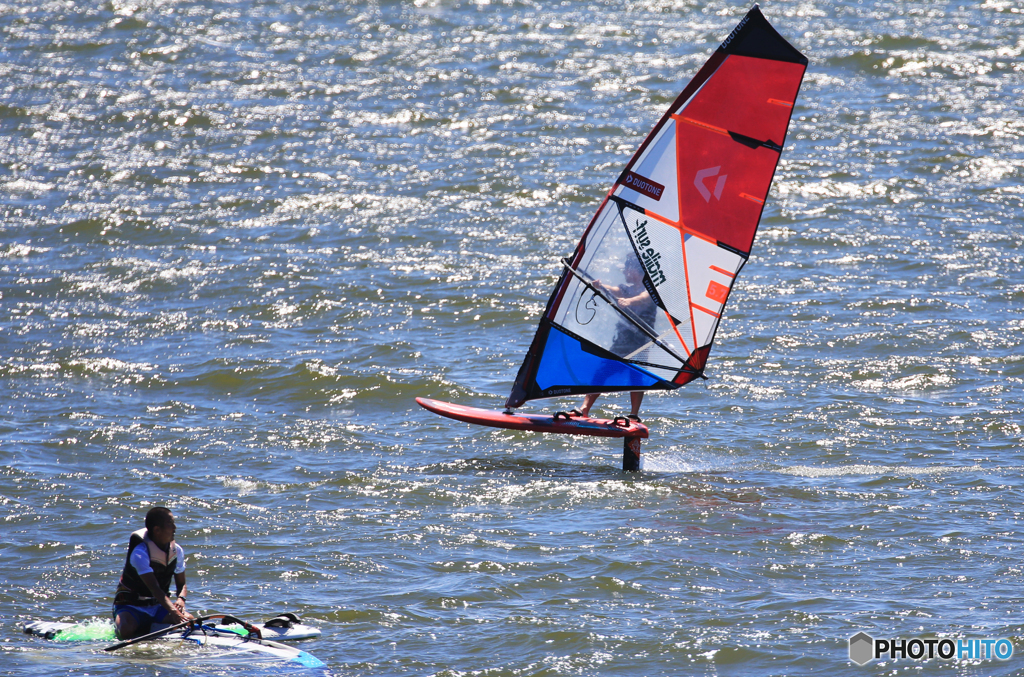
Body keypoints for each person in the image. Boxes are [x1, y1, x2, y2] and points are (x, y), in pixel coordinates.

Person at [575, 257, 656, 422]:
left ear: (635, 271)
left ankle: (634, 414)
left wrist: (629, 301)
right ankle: (585, 408)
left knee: (636, 375)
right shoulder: (625, 288)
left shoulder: (650, 290)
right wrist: (600, 286)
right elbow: (613, 289)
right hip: (623, 339)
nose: (624, 272)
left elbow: (643, 298)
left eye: (626, 269)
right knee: (603, 370)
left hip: (641, 340)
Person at [112, 506, 194, 639]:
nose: (175, 527)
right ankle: (124, 623)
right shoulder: (139, 554)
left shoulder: (177, 550)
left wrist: (181, 599)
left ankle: (151, 625)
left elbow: (182, 584)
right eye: (170, 523)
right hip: (131, 607)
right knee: (126, 630)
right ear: (157, 530)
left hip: (157, 607)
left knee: (189, 620)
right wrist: (173, 611)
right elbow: (154, 588)